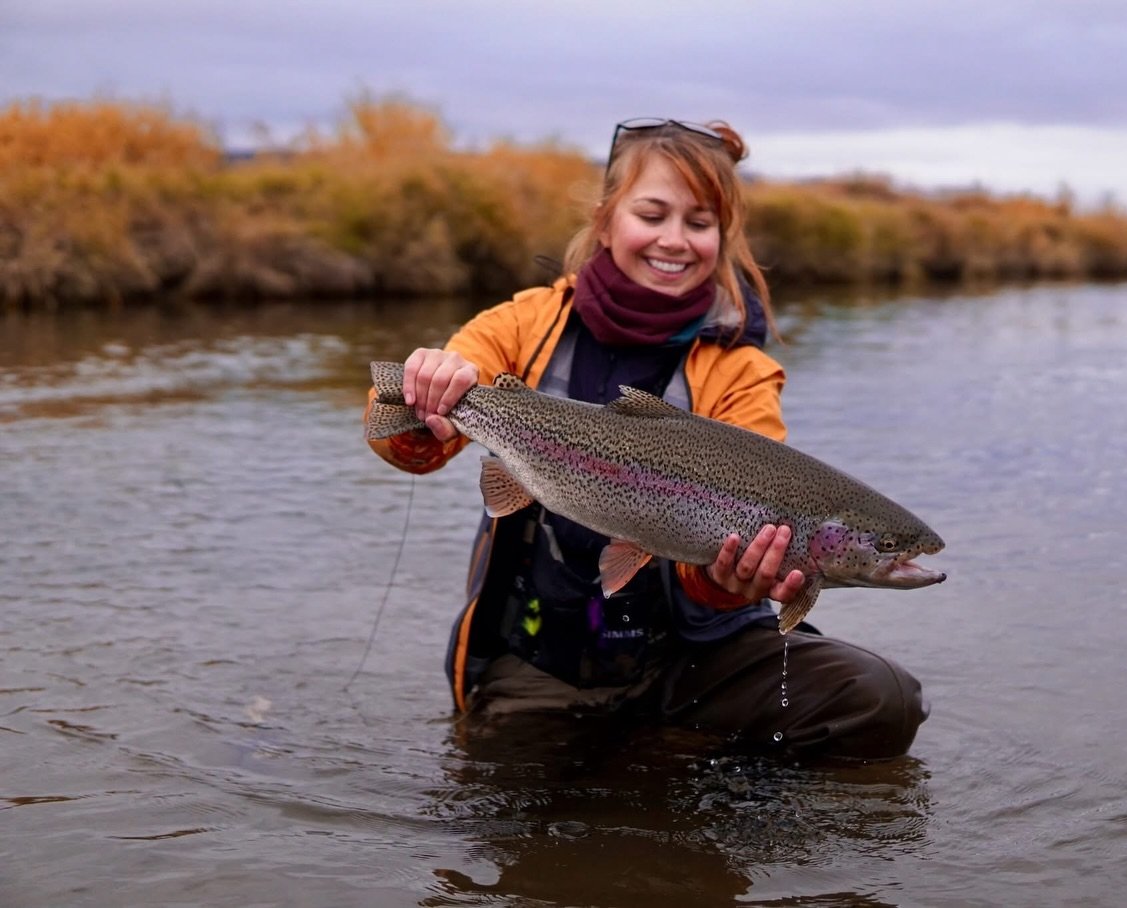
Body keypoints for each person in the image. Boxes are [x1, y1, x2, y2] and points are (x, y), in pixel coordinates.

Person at [365, 118, 928, 759]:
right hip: (541, 654)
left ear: (723, 237)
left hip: (699, 656)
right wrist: (424, 393)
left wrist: (728, 580)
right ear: (606, 221)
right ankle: (660, 759)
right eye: (652, 214)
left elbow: (718, 578)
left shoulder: (741, 369)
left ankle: (671, 750)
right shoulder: (524, 324)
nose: (674, 240)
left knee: (881, 700)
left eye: (699, 222)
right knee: (515, 809)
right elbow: (411, 444)